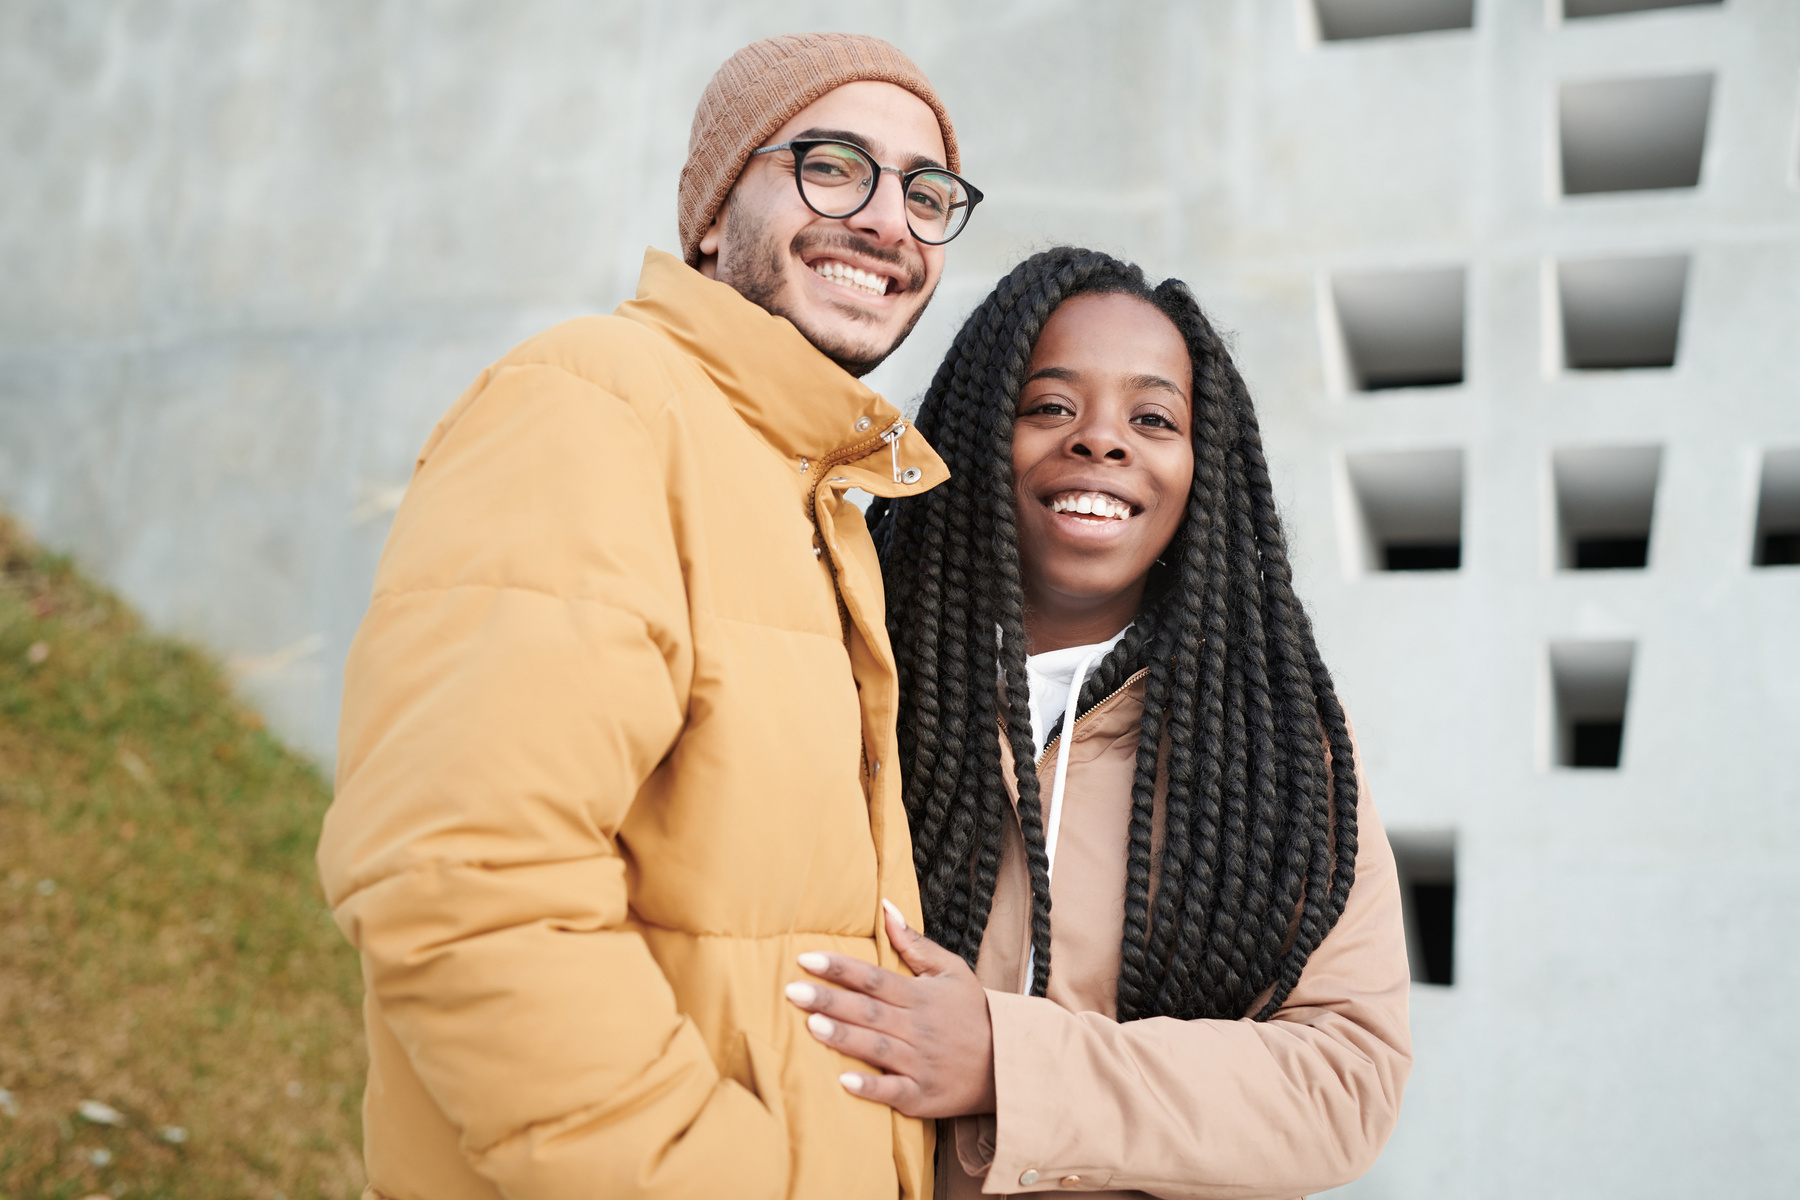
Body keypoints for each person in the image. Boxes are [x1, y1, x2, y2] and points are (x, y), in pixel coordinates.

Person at [317, 33, 983, 1200]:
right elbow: (463, 880)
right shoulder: (593, 404)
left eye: (927, 194)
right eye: (834, 166)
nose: (889, 221)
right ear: (715, 213)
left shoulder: (816, 496)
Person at [781, 247, 1413, 1198]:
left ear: (1204, 470)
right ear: (977, 433)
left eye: (1153, 418)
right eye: (1050, 407)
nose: (1101, 441)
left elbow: (1341, 1087)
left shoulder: (1277, 745)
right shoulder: (841, 666)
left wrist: (1009, 1061)